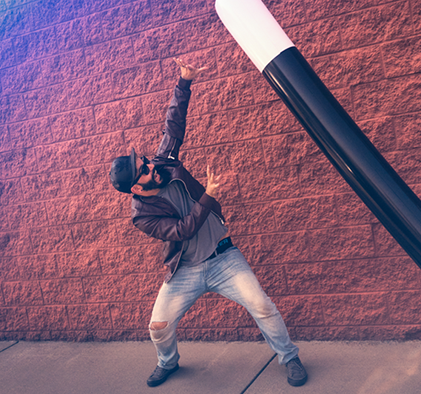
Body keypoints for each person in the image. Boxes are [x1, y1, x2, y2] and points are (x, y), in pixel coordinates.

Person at [108, 58, 307, 388]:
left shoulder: (164, 163)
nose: (150, 166)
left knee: (262, 305)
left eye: (145, 160)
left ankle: (289, 357)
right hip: (185, 270)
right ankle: (168, 363)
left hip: (223, 257)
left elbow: (173, 126)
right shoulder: (141, 216)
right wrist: (208, 196)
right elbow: (182, 230)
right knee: (158, 326)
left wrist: (184, 82)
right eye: (143, 170)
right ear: (136, 188)